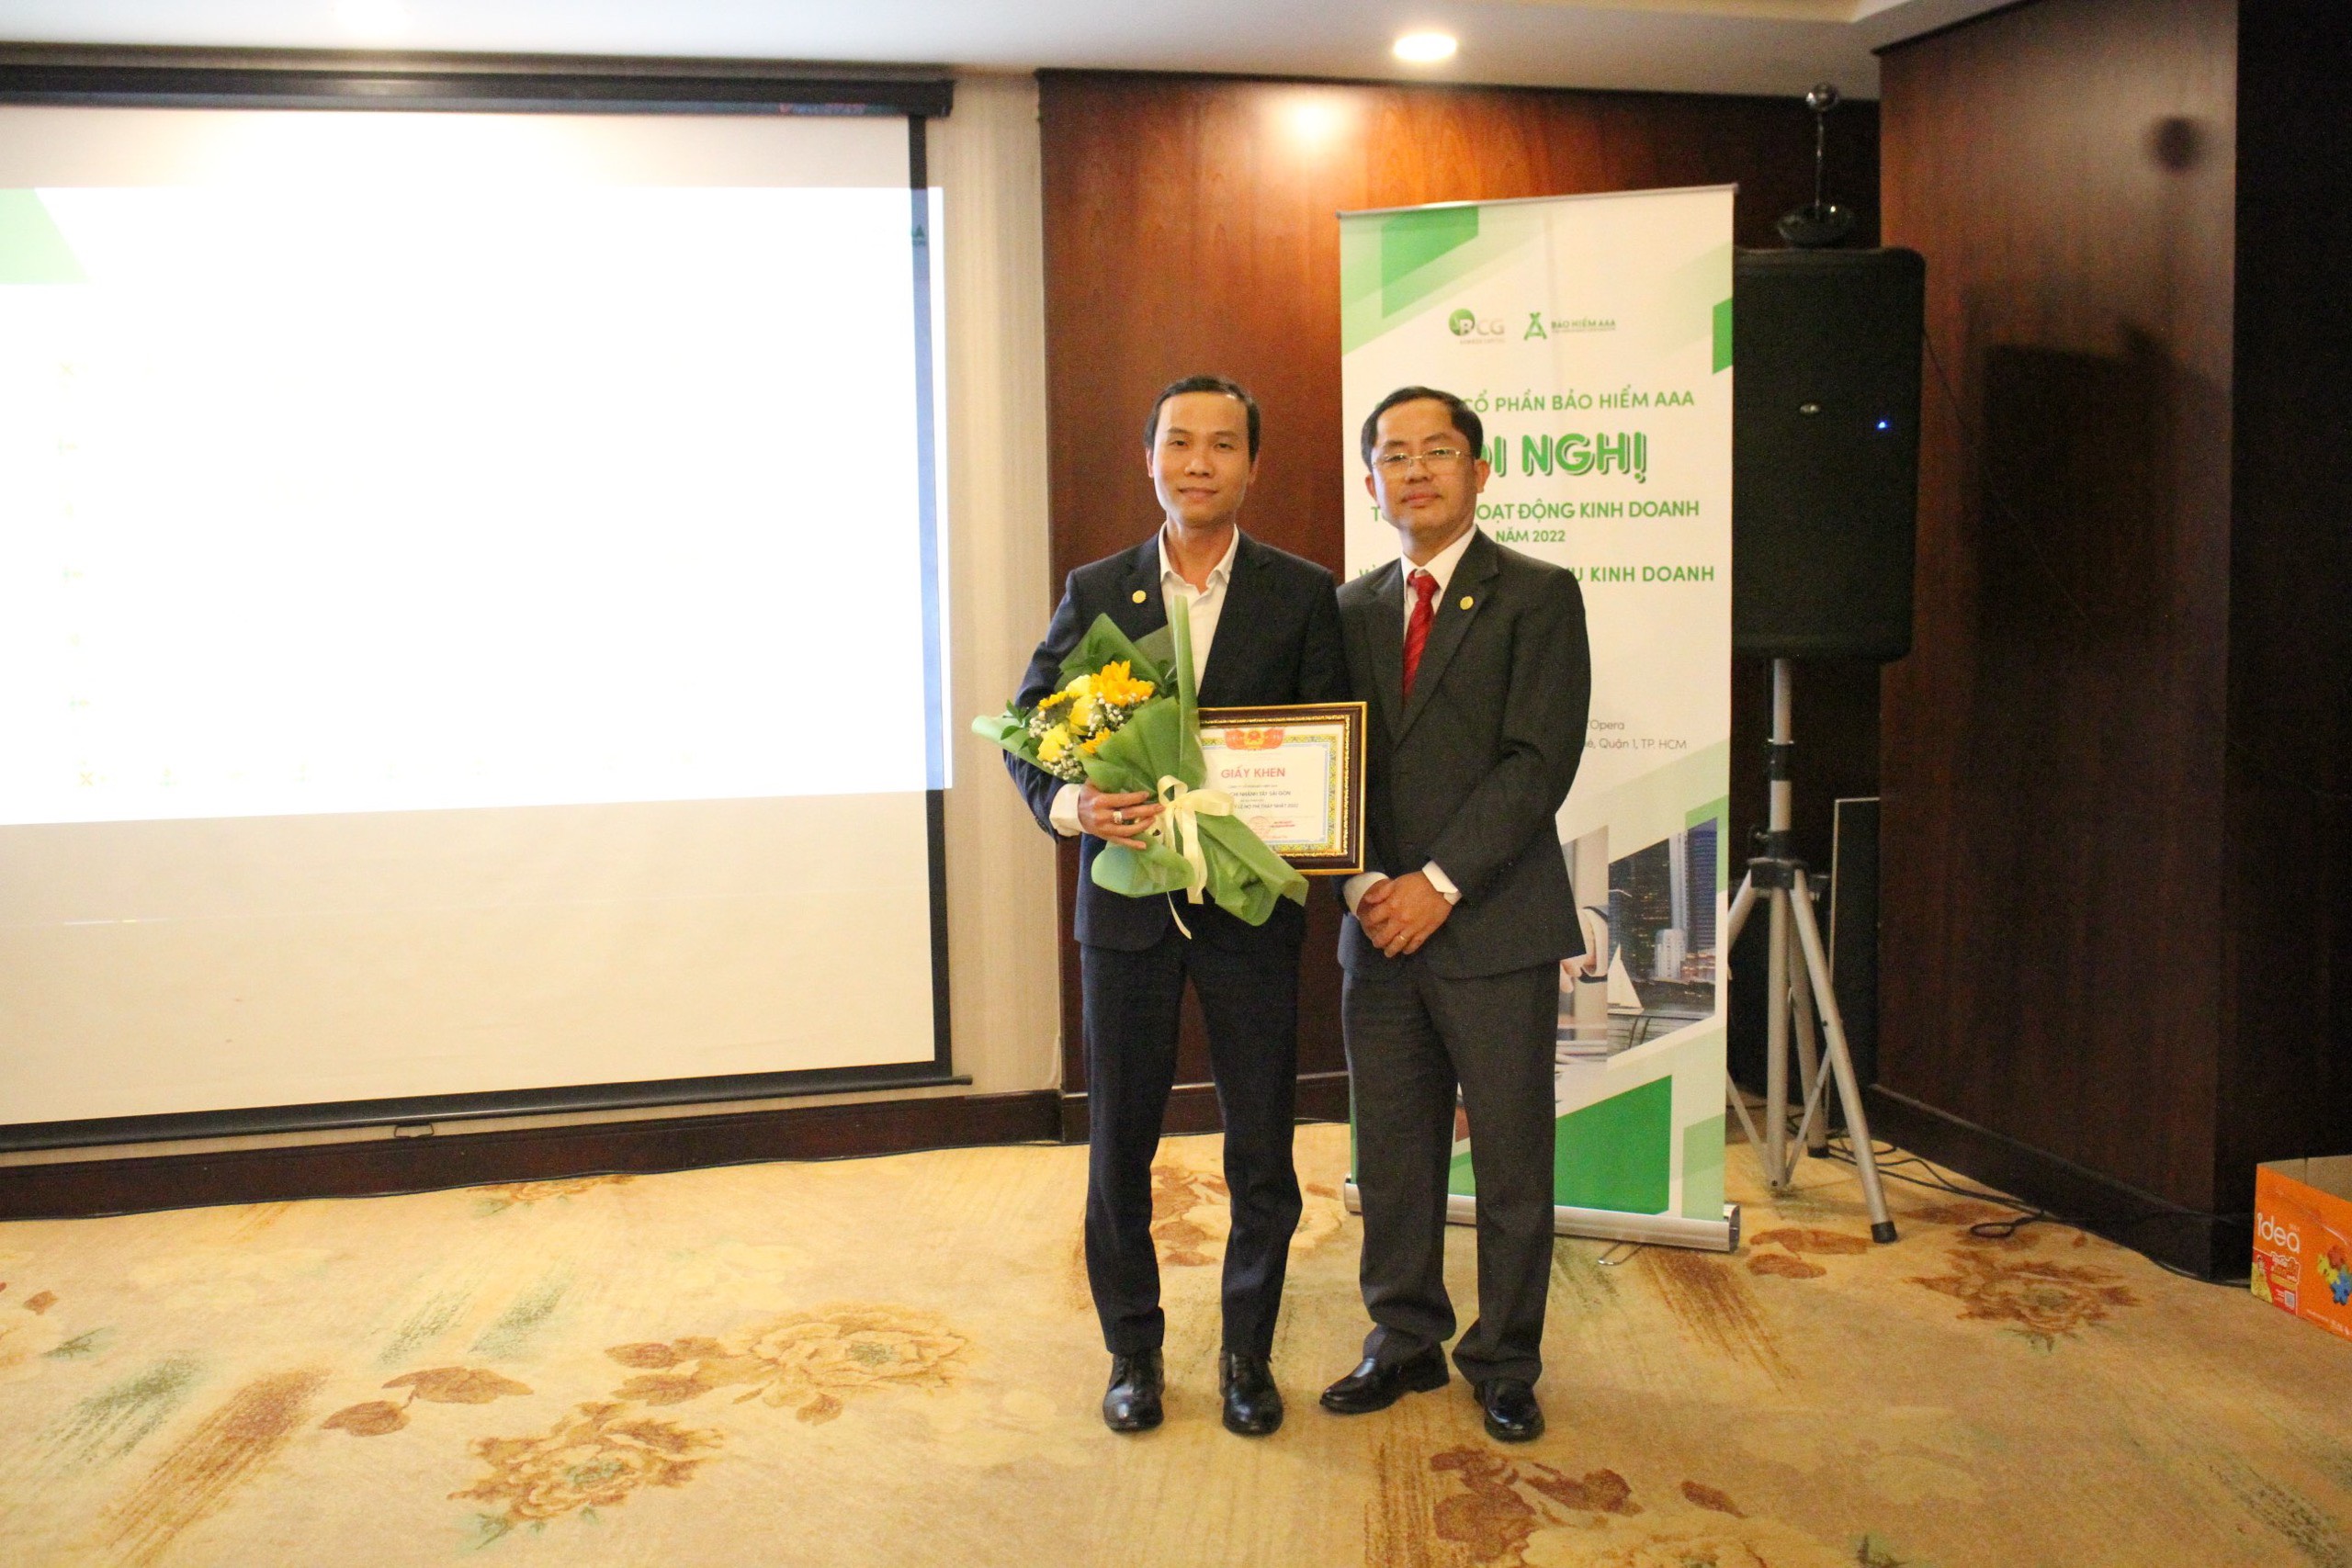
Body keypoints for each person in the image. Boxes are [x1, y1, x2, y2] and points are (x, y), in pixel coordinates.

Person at [1004, 375, 1346, 1436]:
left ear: (1252, 465)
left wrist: (1317, 827)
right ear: (1147, 457)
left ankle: (1248, 1352)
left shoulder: (1302, 593)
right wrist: (1073, 805)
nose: (1199, 462)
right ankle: (1134, 1351)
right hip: (1126, 913)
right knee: (1120, 1142)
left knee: (1261, 1145)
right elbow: (1034, 728)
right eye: (1179, 442)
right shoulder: (1100, 587)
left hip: (1248, 907)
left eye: (1222, 445)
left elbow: (1332, 742)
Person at [1318, 385, 1590, 1443]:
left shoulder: (1538, 594)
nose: (1416, 470)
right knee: (1393, 1154)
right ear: (1371, 480)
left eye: (1438, 451)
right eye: (1394, 454)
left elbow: (1537, 761)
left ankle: (1505, 1358)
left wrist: (1438, 883)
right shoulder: (1347, 610)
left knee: (1513, 1158)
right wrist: (1361, 885)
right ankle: (1403, 1336)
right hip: (1377, 925)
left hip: (1494, 923)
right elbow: (1329, 760)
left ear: (1479, 471)